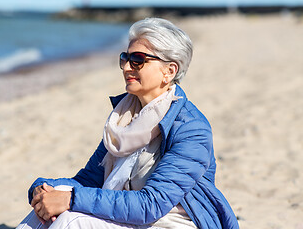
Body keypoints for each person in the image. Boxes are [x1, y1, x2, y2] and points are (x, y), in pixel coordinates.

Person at [16, 17, 239, 229]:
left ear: (169, 71)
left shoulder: (191, 129)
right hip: (130, 217)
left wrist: (70, 199)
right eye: (125, 57)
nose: (126, 67)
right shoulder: (123, 118)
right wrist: (43, 189)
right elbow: (89, 181)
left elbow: (151, 204)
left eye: (139, 60)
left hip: (169, 221)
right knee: (48, 206)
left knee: (71, 221)